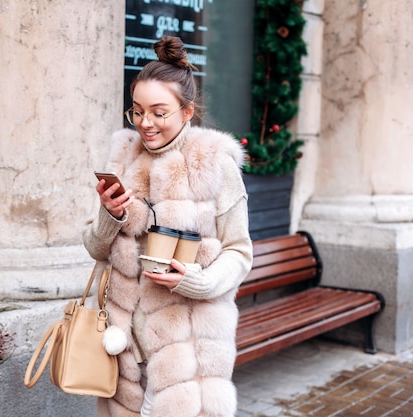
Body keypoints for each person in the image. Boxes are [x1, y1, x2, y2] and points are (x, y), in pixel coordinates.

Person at [83, 36, 253, 417]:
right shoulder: (123, 157)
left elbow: (240, 253)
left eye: (159, 112)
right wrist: (109, 217)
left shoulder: (214, 164)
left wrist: (196, 280)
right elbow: (95, 248)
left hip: (187, 348)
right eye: (138, 111)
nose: (146, 123)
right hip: (124, 344)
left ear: (187, 111)